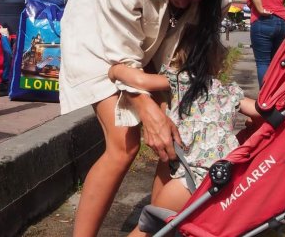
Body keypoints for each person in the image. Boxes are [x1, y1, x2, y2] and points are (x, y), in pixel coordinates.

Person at [59, 0, 232, 237]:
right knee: (124, 144)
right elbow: (120, 61)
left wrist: (170, 104)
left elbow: (185, 51)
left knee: (176, 135)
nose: (182, 1)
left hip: (156, 45)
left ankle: (155, 230)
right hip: (100, 38)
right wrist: (146, 106)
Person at [107, 23, 260, 237]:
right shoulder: (229, 91)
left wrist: (116, 70)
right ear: (218, 60)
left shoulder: (180, 81)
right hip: (222, 180)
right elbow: (259, 110)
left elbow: (140, 80)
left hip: (187, 181)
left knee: (147, 231)